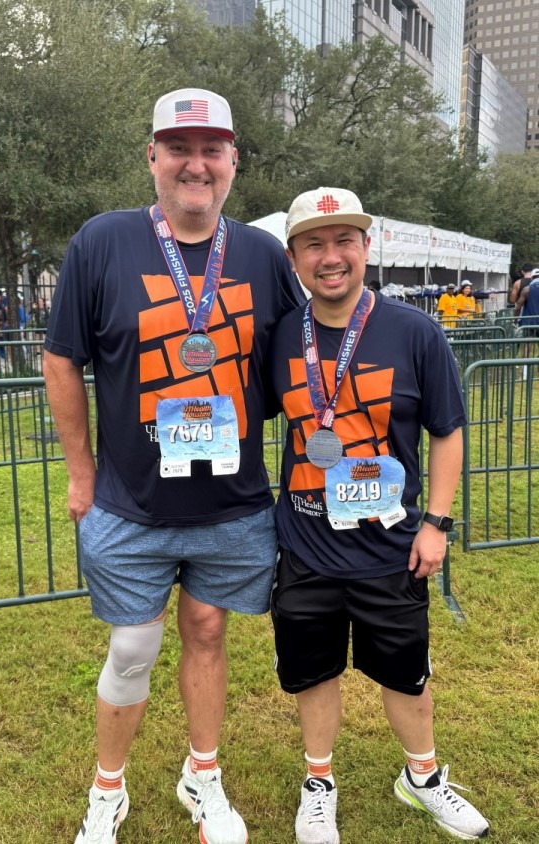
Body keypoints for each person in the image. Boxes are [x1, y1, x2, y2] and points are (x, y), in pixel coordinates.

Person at [43, 87, 304, 844]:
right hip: (130, 501)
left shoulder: (262, 255)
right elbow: (61, 360)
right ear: (152, 157)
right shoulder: (102, 241)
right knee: (133, 648)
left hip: (231, 505)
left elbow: (300, 361)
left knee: (208, 631)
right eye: (180, 149)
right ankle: (108, 789)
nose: (197, 164)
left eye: (212, 149)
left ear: (233, 161)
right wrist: (81, 474)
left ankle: (202, 775)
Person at [267, 187, 490, 842]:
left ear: (367, 247)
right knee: (314, 672)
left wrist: (437, 523)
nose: (330, 256)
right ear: (294, 258)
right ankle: (318, 783)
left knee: (406, 673)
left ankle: (421, 777)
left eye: (344, 241)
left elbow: (447, 431)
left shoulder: (416, 332)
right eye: (314, 244)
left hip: (392, 545)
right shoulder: (280, 336)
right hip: (305, 544)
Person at [514, 267, 539, 337]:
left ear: (531, 278)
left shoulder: (526, 290)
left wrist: (515, 320)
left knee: (528, 341)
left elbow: (518, 307)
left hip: (529, 322)